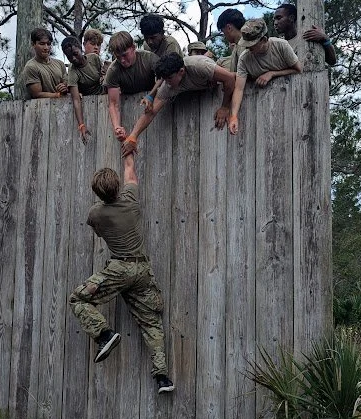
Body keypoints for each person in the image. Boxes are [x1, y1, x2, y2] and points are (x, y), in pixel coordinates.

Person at [69, 152, 173, 393]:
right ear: (117, 185)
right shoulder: (131, 200)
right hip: (143, 271)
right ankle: (163, 378)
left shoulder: (95, 214)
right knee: (151, 323)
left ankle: (104, 335)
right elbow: (130, 172)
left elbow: (99, 232)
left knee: (78, 299)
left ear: (97, 193)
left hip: (118, 270)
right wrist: (129, 150)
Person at [121, 52, 236, 155]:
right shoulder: (168, 86)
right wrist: (132, 137)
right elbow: (150, 113)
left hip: (218, 72)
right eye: (164, 79)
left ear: (181, 71)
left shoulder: (199, 66)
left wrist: (225, 107)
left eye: (169, 78)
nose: (167, 82)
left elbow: (230, 79)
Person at [227, 18, 302, 135]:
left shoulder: (281, 46)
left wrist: (272, 73)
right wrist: (234, 116)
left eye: (252, 45)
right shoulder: (244, 58)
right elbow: (239, 88)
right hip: (263, 110)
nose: (248, 48)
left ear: (264, 39)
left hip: (294, 105)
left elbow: (298, 69)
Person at [103, 31, 159, 142]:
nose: (122, 60)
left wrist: (151, 96)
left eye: (125, 55)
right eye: (118, 57)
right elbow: (113, 104)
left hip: (153, 108)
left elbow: (163, 81)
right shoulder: (113, 70)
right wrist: (117, 127)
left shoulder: (150, 59)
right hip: (129, 112)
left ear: (133, 47)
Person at [61, 36, 105, 144]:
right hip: (93, 103)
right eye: (70, 57)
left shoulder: (94, 58)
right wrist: (81, 125)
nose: (74, 59)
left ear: (80, 48)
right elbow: (76, 100)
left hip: (105, 94)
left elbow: (104, 75)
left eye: (75, 54)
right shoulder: (73, 71)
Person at [20, 27, 68, 100]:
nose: (46, 47)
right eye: (42, 44)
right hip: (41, 108)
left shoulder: (60, 63)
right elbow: (37, 94)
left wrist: (64, 88)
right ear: (33, 44)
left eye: (48, 44)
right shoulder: (31, 67)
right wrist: (58, 95)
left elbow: (67, 84)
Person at [216, 8, 248, 73]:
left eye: (223, 31)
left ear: (229, 28)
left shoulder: (246, 46)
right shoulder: (237, 46)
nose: (224, 35)